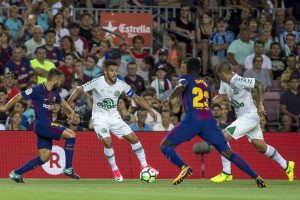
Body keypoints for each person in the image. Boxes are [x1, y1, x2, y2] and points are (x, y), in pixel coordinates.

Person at [160, 57, 266, 187]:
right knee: (227, 152)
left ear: (187, 68)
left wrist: (170, 98)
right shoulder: (206, 84)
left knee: (165, 146)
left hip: (193, 119)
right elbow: (209, 103)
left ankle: (184, 167)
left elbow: (181, 86)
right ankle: (256, 177)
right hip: (209, 121)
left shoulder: (185, 78)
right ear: (199, 69)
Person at [67, 60, 158, 182]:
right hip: (99, 118)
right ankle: (115, 169)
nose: (114, 73)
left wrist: (149, 109)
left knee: (134, 139)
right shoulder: (97, 82)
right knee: (108, 142)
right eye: (111, 70)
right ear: (105, 71)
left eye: (116, 70)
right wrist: (67, 105)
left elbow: (135, 97)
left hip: (114, 117)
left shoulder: (121, 84)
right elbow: (79, 90)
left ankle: (145, 165)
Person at [208, 62, 294, 183]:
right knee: (260, 147)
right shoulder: (224, 82)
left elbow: (259, 84)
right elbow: (222, 95)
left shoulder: (238, 80)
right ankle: (287, 165)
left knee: (222, 138)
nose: (218, 77)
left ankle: (226, 173)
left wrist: (260, 104)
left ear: (222, 73)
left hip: (249, 117)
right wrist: (207, 104)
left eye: (218, 75)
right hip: (244, 118)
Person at [0, 68, 80, 183]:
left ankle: (16, 173)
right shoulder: (37, 89)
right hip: (43, 124)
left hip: (44, 126)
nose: (62, 82)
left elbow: (61, 101)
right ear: (56, 79)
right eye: (61, 79)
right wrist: (4, 108)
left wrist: (71, 111)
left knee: (44, 158)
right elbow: (19, 96)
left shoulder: (54, 91)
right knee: (71, 135)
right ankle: (68, 168)